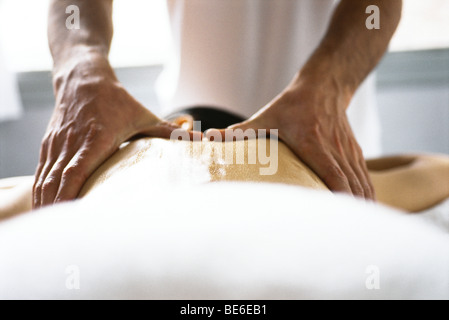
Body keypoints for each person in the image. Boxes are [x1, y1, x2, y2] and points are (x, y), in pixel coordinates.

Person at [34, 0, 402, 209]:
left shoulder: (118, 179)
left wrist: (329, 88)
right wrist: (79, 70)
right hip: (187, 137)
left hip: (324, 141)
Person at [2, 106, 449, 221]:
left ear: (174, 124)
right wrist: (357, 166)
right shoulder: (301, 165)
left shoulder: (91, 170)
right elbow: (435, 168)